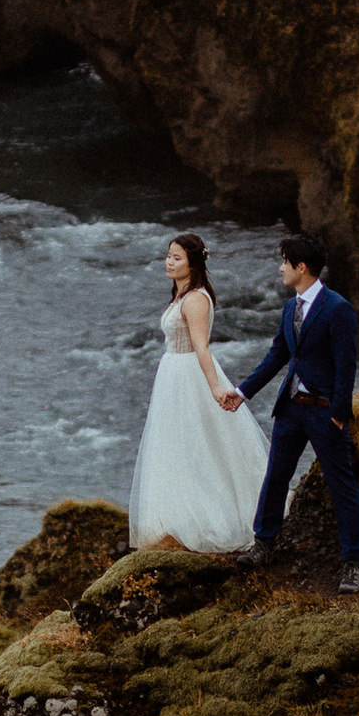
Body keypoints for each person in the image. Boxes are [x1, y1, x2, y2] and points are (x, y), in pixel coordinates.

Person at [227, 235, 359, 591]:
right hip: (290, 409)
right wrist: (243, 392)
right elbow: (278, 355)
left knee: (341, 485)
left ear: (300, 267)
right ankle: (264, 543)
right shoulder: (291, 307)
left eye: (284, 262)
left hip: (324, 412)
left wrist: (339, 412)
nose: (280, 268)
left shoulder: (338, 308)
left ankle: (353, 562)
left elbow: (346, 364)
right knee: (275, 476)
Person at [128, 235, 267, 553]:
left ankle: (206, 520)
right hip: (173, 373)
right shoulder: (180, 295)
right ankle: (173, 520)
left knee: (198, 444)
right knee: (175, 447)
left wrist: (215, 387)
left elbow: (201, 345)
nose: (169, 262)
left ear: (193, 262)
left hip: (189, 374)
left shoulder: (195, 299)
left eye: (176, 258)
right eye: (167, 256)